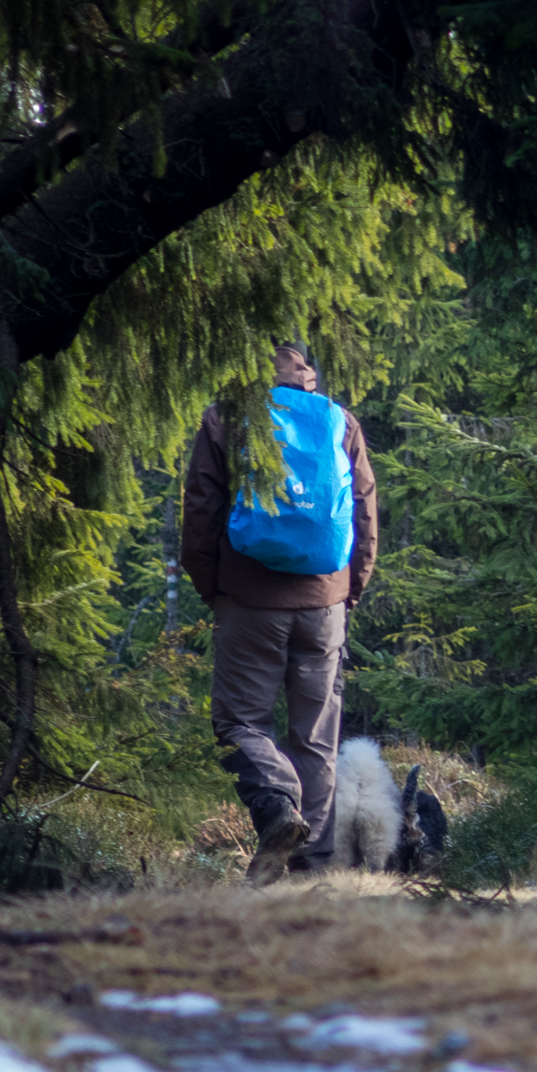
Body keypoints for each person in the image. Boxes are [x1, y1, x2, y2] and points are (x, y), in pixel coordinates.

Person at [181, 342, 378, 884]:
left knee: (240, 721)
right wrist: (350, 588)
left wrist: (212, 585)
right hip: (326, 602)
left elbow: (201, 509)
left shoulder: (225, 418)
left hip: (248, 600)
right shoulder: (339, 420)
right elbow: (364, 506)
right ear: (308, 371)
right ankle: (310, 868)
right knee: (315, 736)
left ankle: (278, 807)